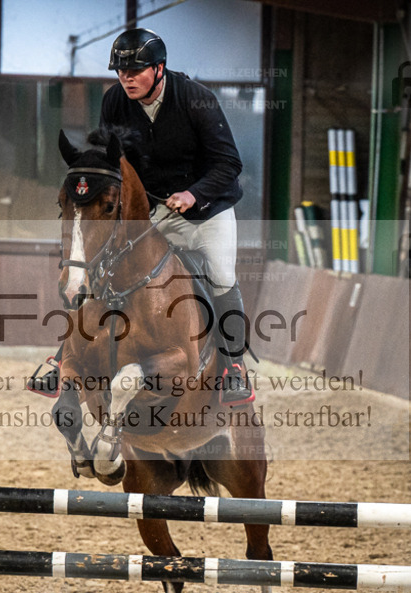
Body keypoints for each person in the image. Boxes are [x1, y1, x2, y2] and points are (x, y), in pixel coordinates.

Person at [29, 27, 253, 406]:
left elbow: (229, 163)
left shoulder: (195, 100)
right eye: (120, 72)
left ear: (160, 69)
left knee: (220, 274)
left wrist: (193, 193)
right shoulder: (116, 100)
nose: (126, 79)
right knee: (100, 268)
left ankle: (233, 367)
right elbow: (108, 156)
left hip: (206, 211)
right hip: (150, 211)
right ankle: (64, 357)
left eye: (135, 71)